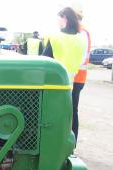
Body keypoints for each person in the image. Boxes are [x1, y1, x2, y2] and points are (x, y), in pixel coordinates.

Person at [42, 7, 85, 142]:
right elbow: (82, 60)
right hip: (71, 82)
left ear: (64, 18)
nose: (58, 22)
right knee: (71, 114)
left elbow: (43, 60)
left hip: (52, 84)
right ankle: (71, 144)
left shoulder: (55, 38)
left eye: (59, 18)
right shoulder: (81, 39)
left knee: (49, 117)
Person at [71, 3, 91, 141]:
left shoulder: (81, 33)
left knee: (72, 111)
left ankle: (73, 142)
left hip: (76, 78)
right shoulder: (81, 32)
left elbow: (81, 58)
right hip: (75, 77)